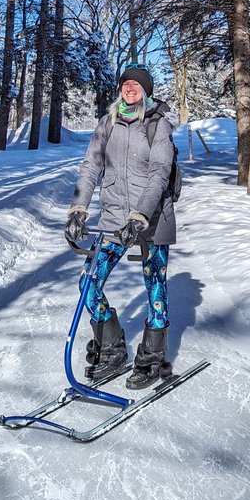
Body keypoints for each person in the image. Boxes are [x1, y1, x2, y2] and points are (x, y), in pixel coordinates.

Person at [65, 64, 176, 390]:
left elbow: (159, 174)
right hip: (113, 219)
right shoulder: (107, 123)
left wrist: (140, 215)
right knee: (89, 282)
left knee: (155, 288)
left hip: (151, 220)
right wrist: (79, 208)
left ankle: (153, 357)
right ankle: (112, 346)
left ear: (146, 90)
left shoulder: (159, 127)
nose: (130, 89)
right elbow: (90, 166)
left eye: (136, 85)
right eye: (126, 84)